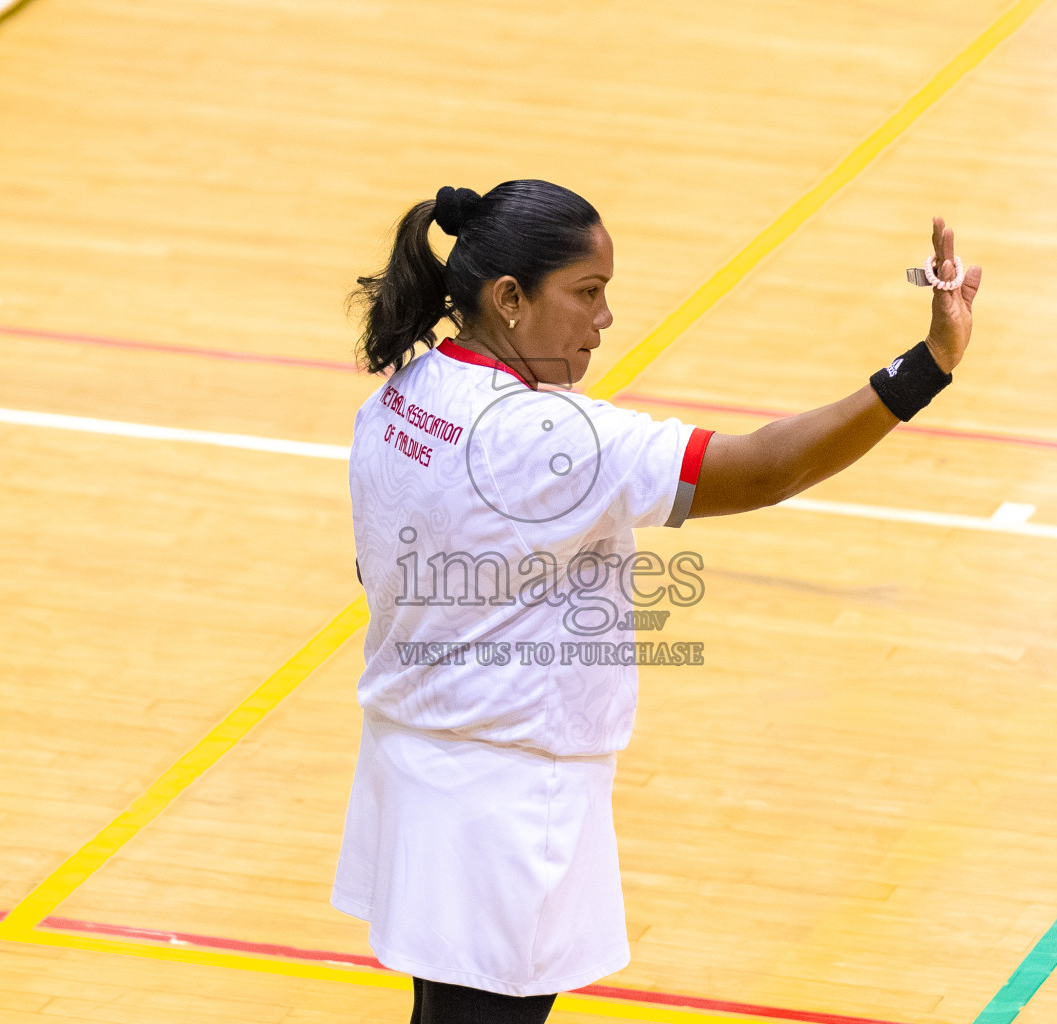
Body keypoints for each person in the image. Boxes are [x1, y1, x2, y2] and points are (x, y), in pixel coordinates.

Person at [333, 180, 980, 1024]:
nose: (604, 321)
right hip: (505, 807)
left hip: (418, 776)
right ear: (510, 299)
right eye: (588, 294)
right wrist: (928, 365)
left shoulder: (401, 398)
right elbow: (765, 467)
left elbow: (370, 565)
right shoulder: (550, 440)